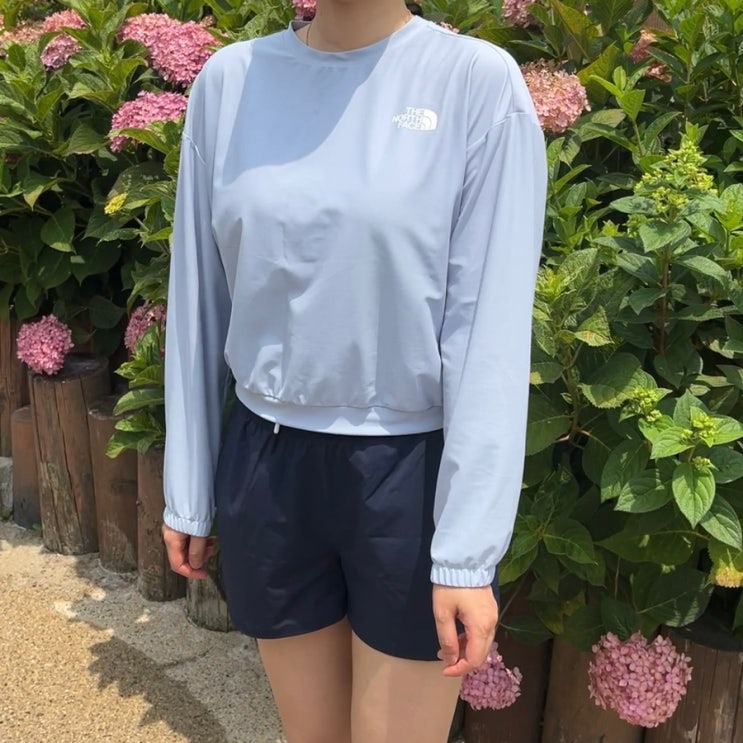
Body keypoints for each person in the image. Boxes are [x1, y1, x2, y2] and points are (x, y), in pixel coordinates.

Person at [161, 1, 547, 741]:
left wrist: (466, 554)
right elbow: (198, 293)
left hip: (409, 471)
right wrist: (189, 488)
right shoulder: (229, 83)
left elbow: (490, 329)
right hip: (268, 458)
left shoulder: (473, 82)